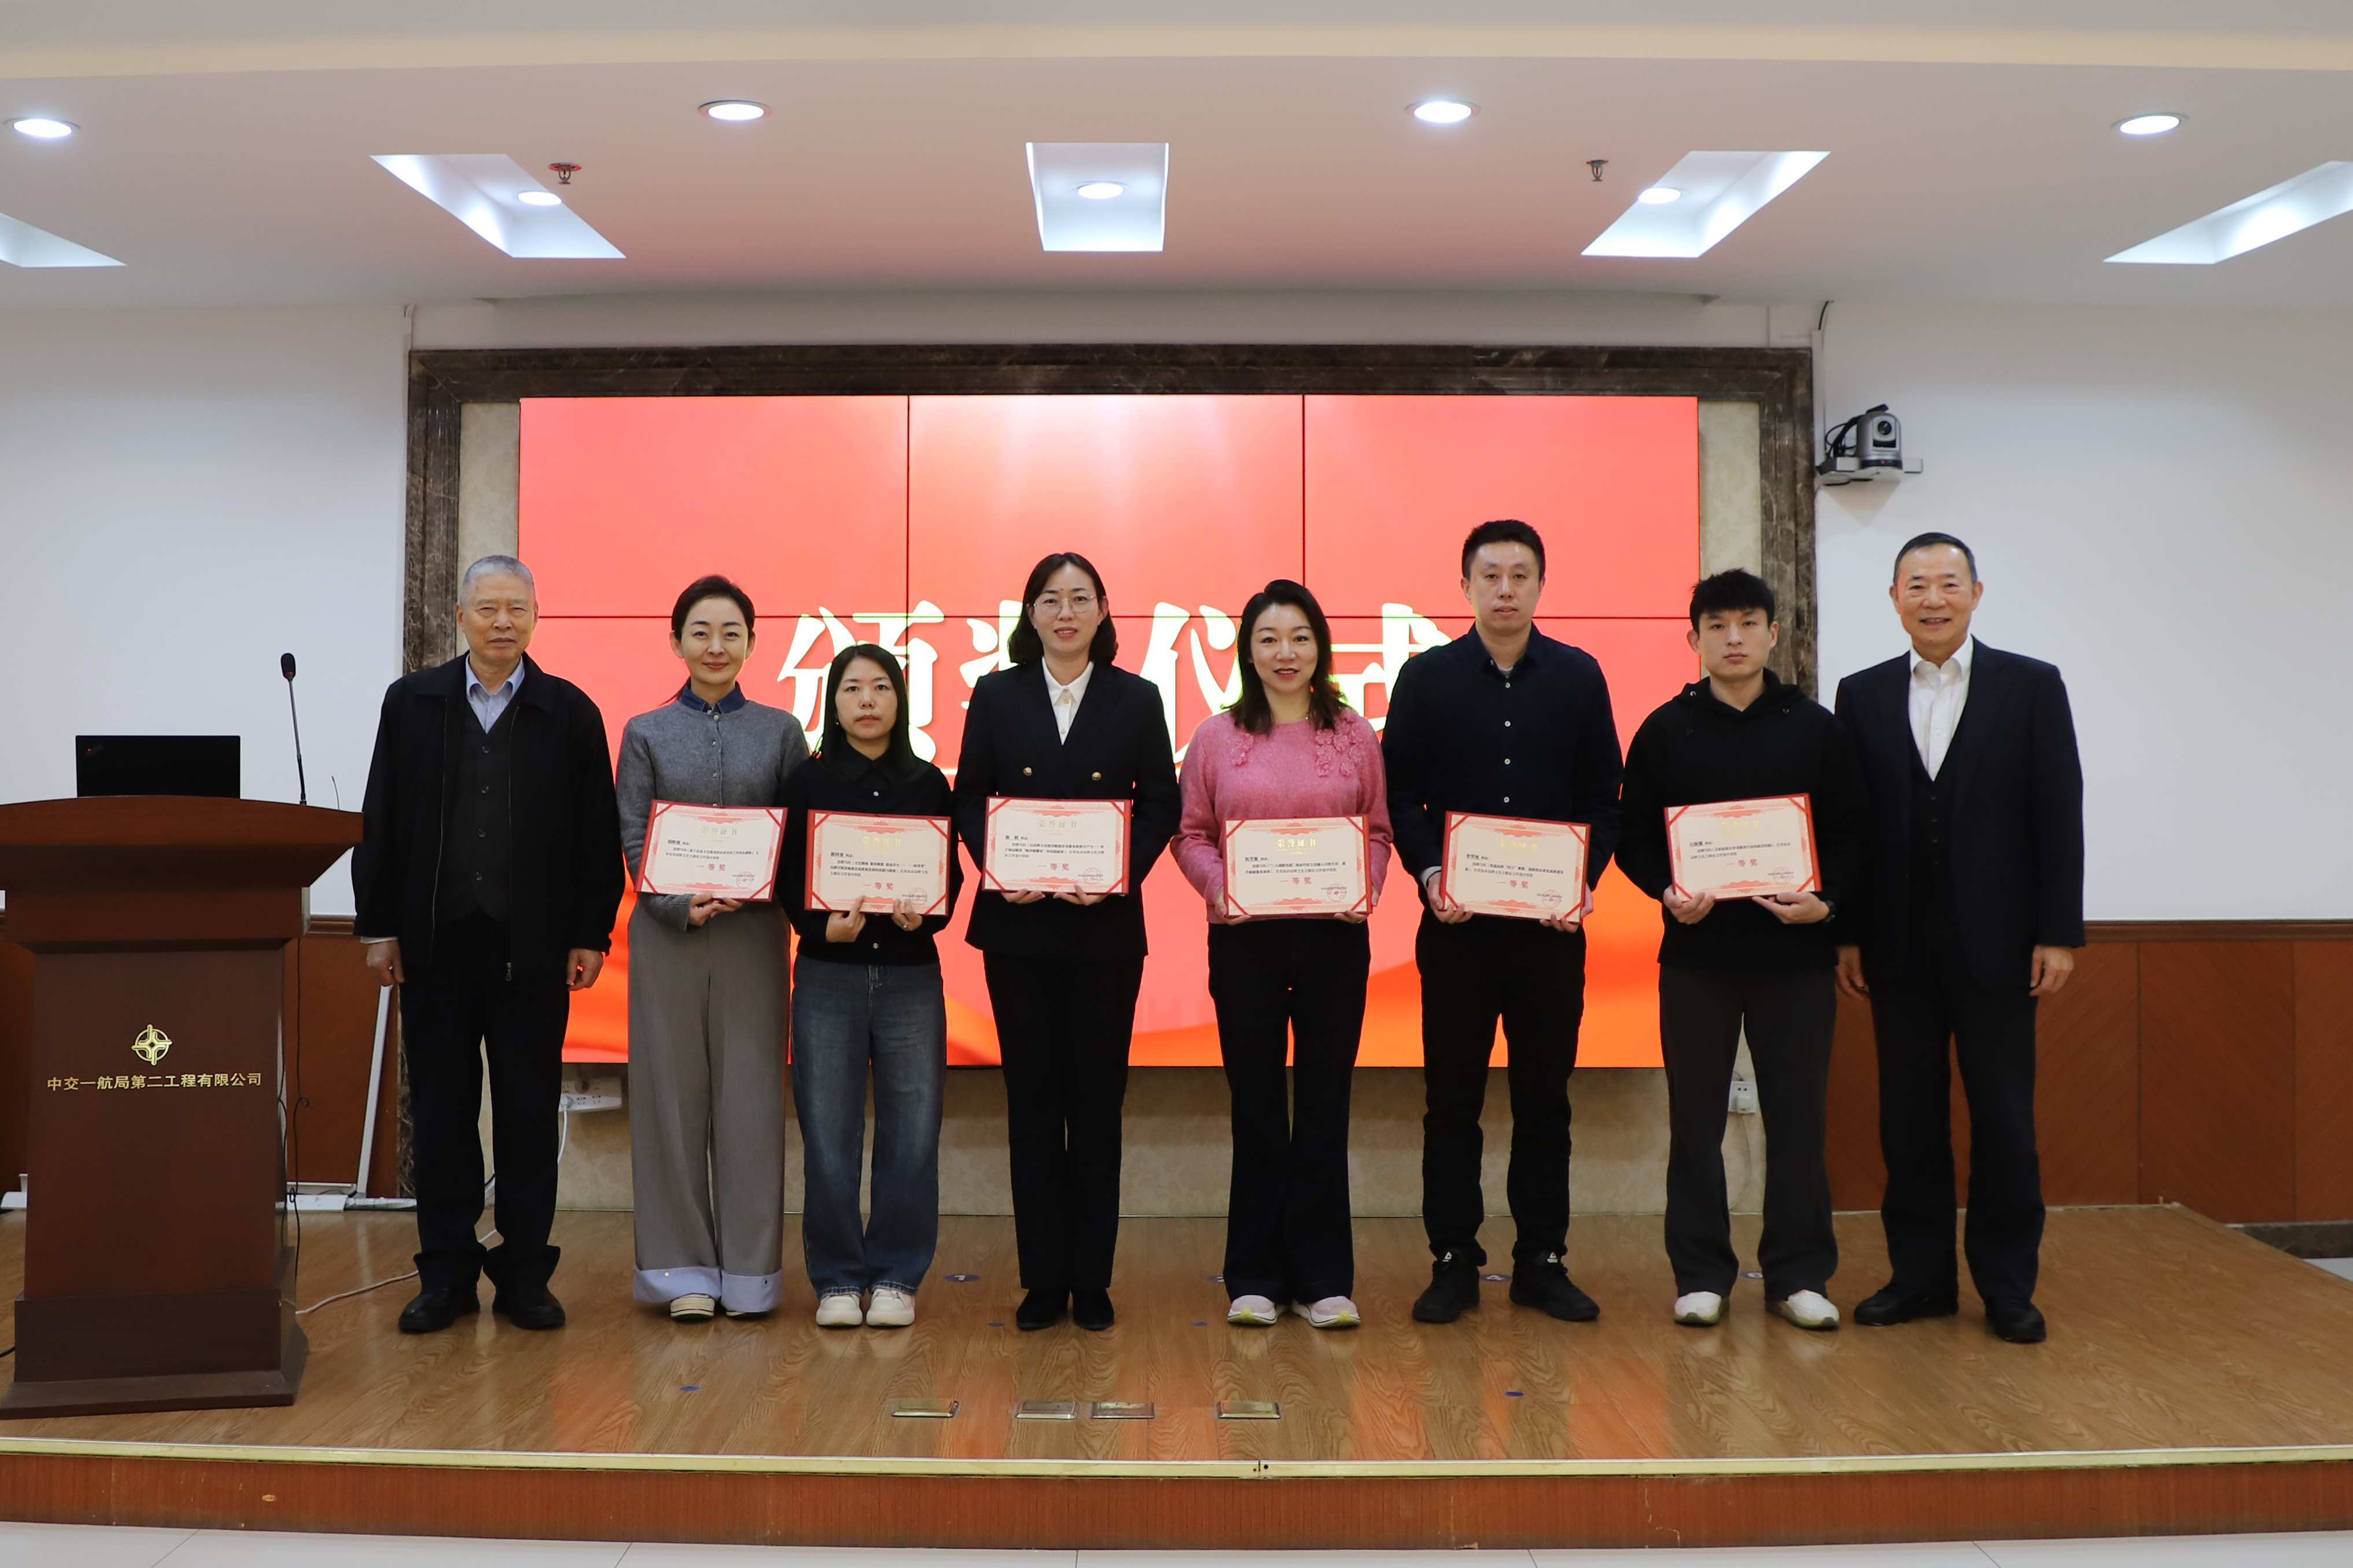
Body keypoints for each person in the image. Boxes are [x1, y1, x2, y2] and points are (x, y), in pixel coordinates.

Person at [355, 554, 623, 1335]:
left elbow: (596, 832)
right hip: (434, 946)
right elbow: (381, 816)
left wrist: (590, 931)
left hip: (532, 949)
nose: (502, 621)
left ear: (536, 616)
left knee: (527, 1113)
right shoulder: (412, 702)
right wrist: (379, 926)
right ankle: (445, 1273)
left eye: (517, 608)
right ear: (460, 616)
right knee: (441, 1114)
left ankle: (524, 1274)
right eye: (488, 607)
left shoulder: (568, 710)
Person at [1834, 532, 2084, 1345]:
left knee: (2003, 1120)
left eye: (1947, 582)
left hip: (2001, 948)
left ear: (1976, 593)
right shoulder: (1860, 693)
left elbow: (2058, 811)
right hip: (1895, 946)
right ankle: (1918, 1279)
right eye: (1915, 584)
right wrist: (1847, 933)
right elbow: (1852, 825)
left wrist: (2057, 932)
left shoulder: (2030, 685)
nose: (1932, 598)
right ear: (1893, 598)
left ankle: (2006, 1286)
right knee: (1906, 1121)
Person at [1382, 518, 1623, 1325]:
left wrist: (1579, 880)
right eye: (1489, 575)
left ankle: (1540, 1259)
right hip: (1456, 930)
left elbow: (1604, 797)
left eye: (1520, 574)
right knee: (1450, 1100)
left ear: (1540, 585)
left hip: (1548, 935)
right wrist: (1429, 872)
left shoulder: (1579, 676)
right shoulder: (1425, 677)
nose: (1505, 589)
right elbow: (1399, 794)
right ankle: (1452, 1258)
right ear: (1465, 586)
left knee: (1543, 1100)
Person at [1615, 570, 1865, 1333]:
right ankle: (1700, 1273)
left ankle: (1798, 1273)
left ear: (1771, 633)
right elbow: (1632, 837)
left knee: (1798, 1121)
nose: (1733, 637)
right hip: (1697, 958)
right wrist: (1666, 889)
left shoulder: (1815, 728)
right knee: (1694, 1123)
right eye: (1716, 624)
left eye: (1747, 622)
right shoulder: (1665, 729)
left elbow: (1853, 834)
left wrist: (1825, 902)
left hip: (1795, 960)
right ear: (1693, 638)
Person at [953, 551, 1180, 1333]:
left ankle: (1092, 1278)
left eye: (1080, 598)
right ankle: (1042, 1279)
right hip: (1016, 928)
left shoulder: (1136, 697)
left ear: (1103, 610)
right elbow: (969, 796)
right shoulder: (995, 693)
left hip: (1103, 931)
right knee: (1031, 1102)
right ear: (1030, 614)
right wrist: (997, 863)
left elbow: (1160, 803)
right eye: (1050, 599)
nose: (1065, 612)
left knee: (1096, 1104)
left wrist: (1116, 873)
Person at [1175, 580, 1394, 1330]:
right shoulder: (1215, 737)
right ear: (1247, 651)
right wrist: (1219, 889)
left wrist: (1364, 885)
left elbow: (1377, 831)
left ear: (1320, 646)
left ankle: (1324, 1277)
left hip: (1334, 937)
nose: (1284, 652)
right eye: (1268, 638)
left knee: (1325, 1104)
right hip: (1245, 940)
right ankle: (1254, 1276)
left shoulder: (1355, 734)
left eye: (1299, 637)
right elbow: (1191, 833)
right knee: (1258, 1107)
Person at [614, 575, 808, 1323]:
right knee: (669, 1097)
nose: (716, 645)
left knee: (751, 1098)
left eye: (731, 632)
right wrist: (674, 903)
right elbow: (634, 833)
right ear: (676, 642)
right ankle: (680, 1272)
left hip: (755, 933)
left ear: (752, 642)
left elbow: (797, 833)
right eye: (700, 631)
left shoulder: (781, 731)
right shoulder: (645, 731)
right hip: (668, 933)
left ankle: (751, 1275)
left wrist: (763, 889)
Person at [778, 644, 962, 1329]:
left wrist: (926, 914)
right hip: (827, 974)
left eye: (880, 687)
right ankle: (835, 1277)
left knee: (911, 1132)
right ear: (833, 702)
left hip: (911, 976)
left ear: (899, 701)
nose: (866, 700)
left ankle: (895, 1276)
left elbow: (947, 874)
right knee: (828, 1132)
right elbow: (787, 874)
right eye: (851, 687)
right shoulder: (808, 779)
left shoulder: (928, 782)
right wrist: (822, 927)